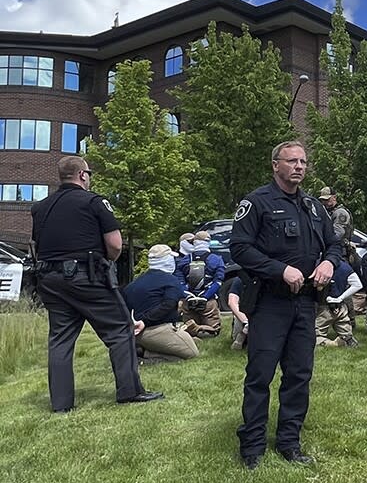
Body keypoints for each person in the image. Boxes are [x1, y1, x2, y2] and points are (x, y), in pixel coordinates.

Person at [230, 141, 343, 470]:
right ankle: (252, 446)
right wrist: (279, 269)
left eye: (303, 161)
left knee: (299, 375)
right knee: (260, 376)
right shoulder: (257, 202)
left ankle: (289, 442)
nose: (299, 166)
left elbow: (335, 243)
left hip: (305, 302)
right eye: (291, 161)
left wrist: (330, 264)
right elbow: (239, 248)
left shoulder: (312, 206)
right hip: (269, 302)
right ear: (275, 165)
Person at [30, 155, 163, 412]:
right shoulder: (95, 202)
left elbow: (37, 244)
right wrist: (107, 263)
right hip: (86, 277)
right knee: (120, 330)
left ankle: (61, 404)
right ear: (82, 175)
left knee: (60, 339)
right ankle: (130, 391)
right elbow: (114, 244)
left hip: (50, 280)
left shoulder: (40, 207)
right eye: (88, 173)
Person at [122, 244, 199, 363]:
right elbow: (168, 305)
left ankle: (140, 348)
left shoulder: (135, 283)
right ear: (167, 260)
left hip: (134, 333)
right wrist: (145, 321)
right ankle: (146, 355)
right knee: (191, 352)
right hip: (157, 329)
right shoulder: (170, 280)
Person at [176, 230, 225, 338]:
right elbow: (218, 281)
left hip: (188, 301)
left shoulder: (183, 260)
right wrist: (205, 296)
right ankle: (201, 329)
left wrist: (188, 296)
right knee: (214, 331)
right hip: (208, 302)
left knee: (188, 330)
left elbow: (179, 282)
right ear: (208, 242)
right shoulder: (217, 259)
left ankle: (192, 331)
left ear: (194, 242)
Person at [315, 259, 362, 347]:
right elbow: (358, 284)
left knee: (315, 335)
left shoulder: (317, 265)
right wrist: (340, 298)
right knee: (346, 331)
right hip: (341, 306)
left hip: (323, 307)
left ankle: (331, 343)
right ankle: (347, 339)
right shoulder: (345, 267)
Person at [228, 276, 250, 350]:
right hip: (244, 316)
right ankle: (242, 335)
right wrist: (245, 321)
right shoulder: (240, 280)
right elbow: (232, 302)